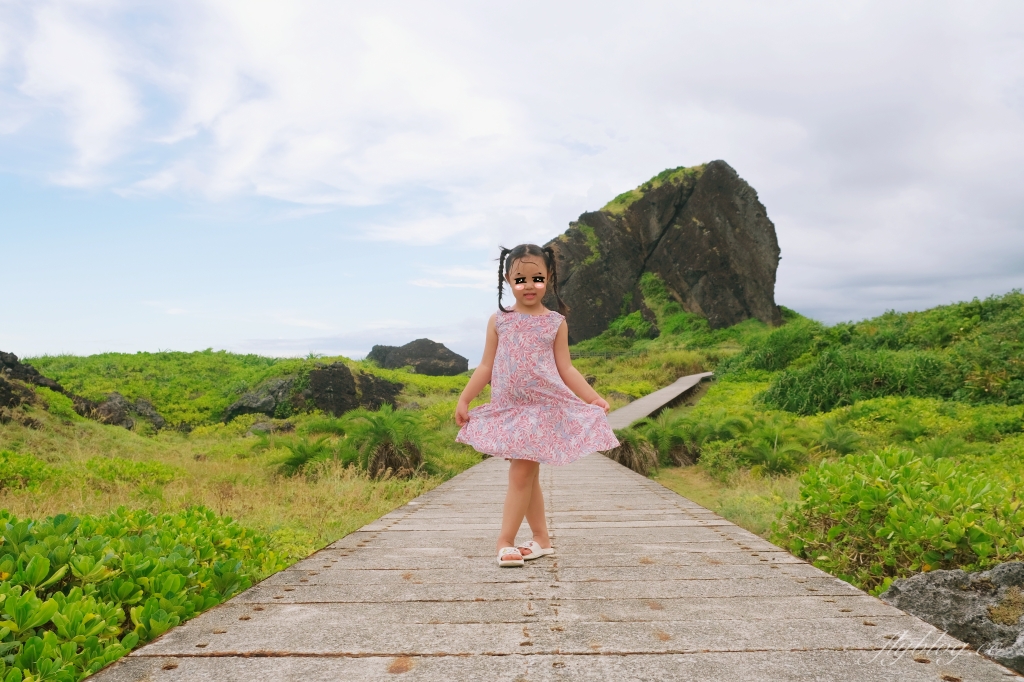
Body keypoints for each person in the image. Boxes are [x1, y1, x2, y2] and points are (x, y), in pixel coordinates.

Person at [454, 243, 619, 567]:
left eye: (537, 278)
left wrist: (592, 398)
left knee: (521, 473)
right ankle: (541, 539)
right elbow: (486, 366)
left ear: (550, 277)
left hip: (544, 408)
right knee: (527, 475)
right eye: (520, 279)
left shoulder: (555, 322)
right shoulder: (499, 321)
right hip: (512, 408)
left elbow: (566, 368)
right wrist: (465, 397)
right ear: (507, 280)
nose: (529, 285)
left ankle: (505, 540)